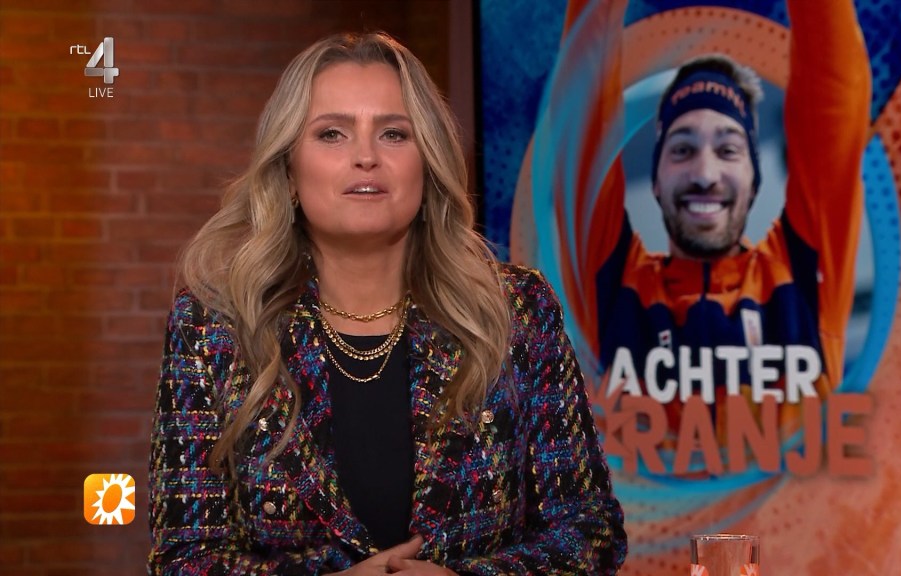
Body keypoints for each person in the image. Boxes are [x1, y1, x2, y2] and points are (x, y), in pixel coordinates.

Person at [148, 32, 627, 575]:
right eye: (332, 133)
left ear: (428, 161)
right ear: (287, 170)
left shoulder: (517, 310)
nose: (366, 157)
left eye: (394, 133)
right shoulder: (213, 325)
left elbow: (590, 532)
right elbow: (183, 559)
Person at [583, 0, 872, 443]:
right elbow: (582, 111)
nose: (705, 174)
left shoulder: (800, 275)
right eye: (682, 149)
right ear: (655, 179)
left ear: (755, 179)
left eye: (728, 150)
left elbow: (835, 91)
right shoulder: (613, 284)